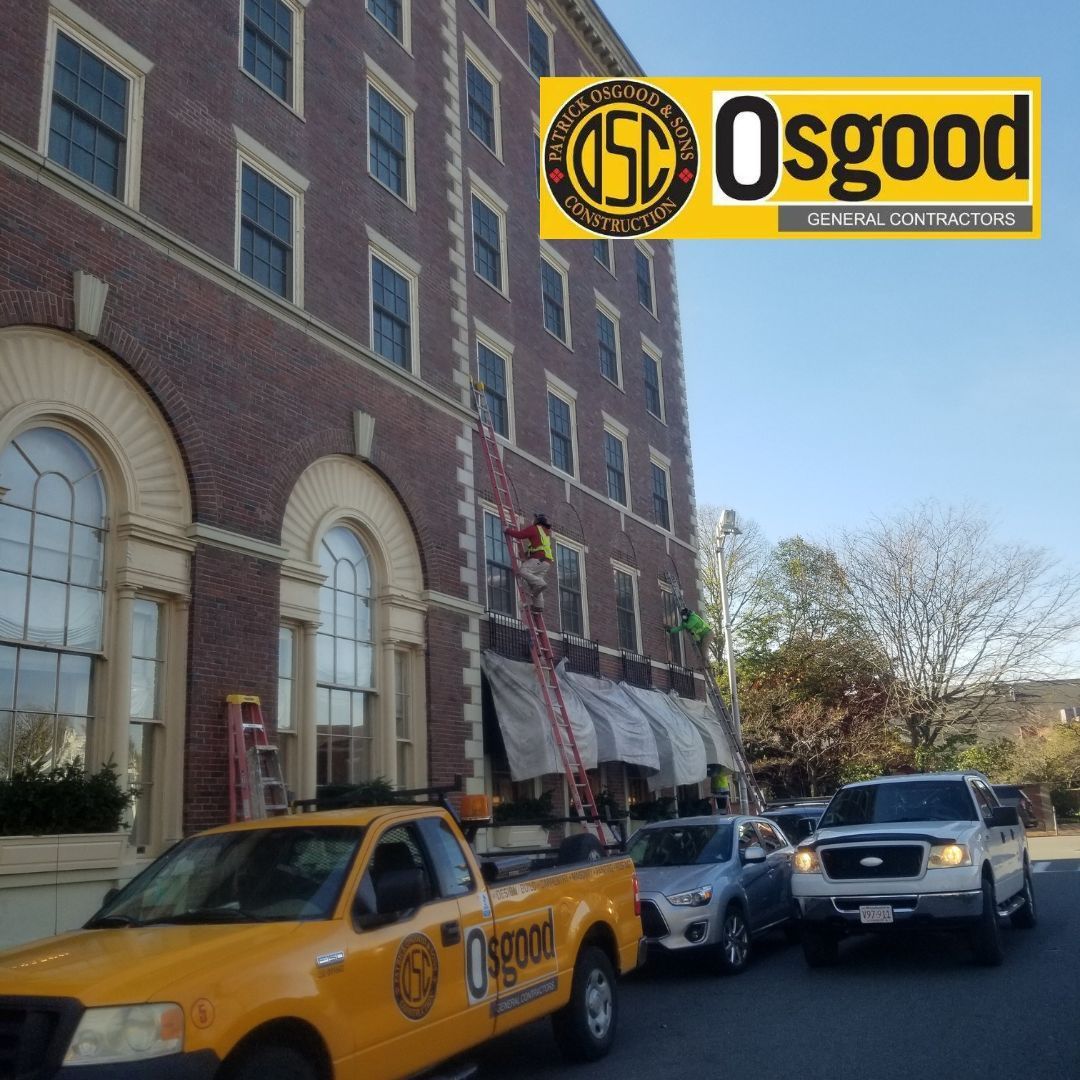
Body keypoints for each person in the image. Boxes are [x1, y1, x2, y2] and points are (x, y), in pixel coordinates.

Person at [505, 513, 553, 613]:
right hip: (546, 562)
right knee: (533, 583)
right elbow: (538, 547)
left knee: (523, 571)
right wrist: (526, 555)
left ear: (537, 521)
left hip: (539, 560)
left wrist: (507, 530)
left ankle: (541, 584)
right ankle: (538, 606)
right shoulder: (545, 533)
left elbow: (520, 535)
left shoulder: (535, 528)